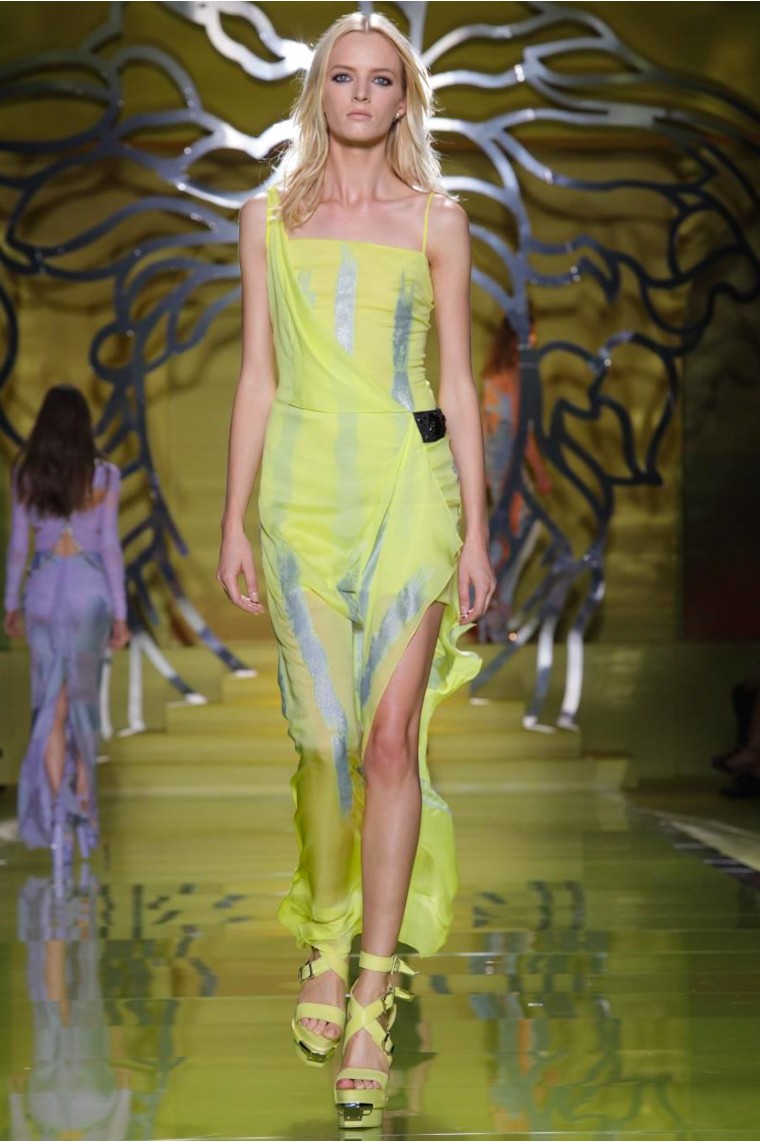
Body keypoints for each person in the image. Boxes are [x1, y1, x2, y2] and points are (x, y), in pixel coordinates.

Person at [216, 11, 495, 1130]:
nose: (363, 95)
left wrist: (477, 532)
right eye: (345, 76)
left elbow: (459, 384)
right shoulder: (265, 220)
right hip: (299, 499)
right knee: (324, 742)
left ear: (405, 97)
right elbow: (256, 375)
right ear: (319, 91)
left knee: (388, 742)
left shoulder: (439, 221)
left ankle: (372, 992)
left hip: (406, 493)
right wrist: (233, 520)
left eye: (383, 80)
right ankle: (324, 935)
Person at [3, 385, 129, 881]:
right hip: (89, 595)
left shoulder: (27, 474)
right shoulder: (104, 475)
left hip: (41, 594)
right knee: (80, 702)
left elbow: (19, 545)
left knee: (49, 706)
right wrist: (121, 613)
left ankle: (56, 818)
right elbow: (111, 547)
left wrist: (11, 603)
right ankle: (81, 805)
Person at [479, 313, 551, 642]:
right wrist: (541, 473)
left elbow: (485, 425)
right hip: (507, 458)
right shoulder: (513, 374)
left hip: (495, 457)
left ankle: (491, 609)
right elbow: (523, 431)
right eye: (530, 334)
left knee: (511, 530)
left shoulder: (492, 373)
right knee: (520, 530)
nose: (534, 340)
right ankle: (493, 603)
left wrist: (481, 470)